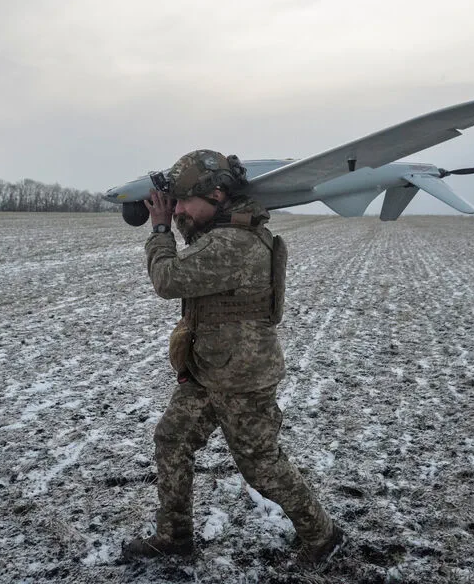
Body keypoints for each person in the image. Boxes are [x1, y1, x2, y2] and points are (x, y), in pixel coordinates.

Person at [121, 150, 344, 565]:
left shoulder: (234, 242)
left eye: (186, 201)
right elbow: (196, 236)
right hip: (209, 369)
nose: (179, 209)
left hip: (243, 377)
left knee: (261, 467)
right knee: (172, 439)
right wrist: (175, 212)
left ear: (219, 194)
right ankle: (174, 536)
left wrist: (159, 228)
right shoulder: (224, 229)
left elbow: (167, 279)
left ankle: (323, 536)